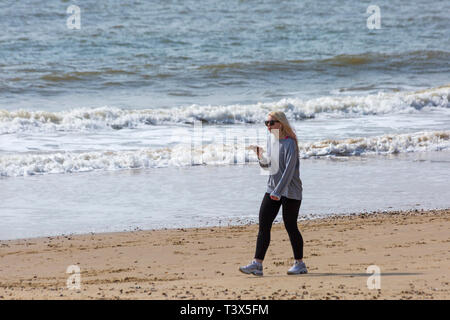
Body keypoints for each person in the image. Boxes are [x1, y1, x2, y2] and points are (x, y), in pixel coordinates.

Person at [240, 111, 307, 276]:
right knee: (264, 224)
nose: (268, 127)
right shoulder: (271, 141)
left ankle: (300, 264)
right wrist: (260, 156)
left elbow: (289, 171)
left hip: (290, 191)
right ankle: (257, 264)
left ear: (281, 123)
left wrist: (278, 192)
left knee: (290, 226)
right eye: (266, 123)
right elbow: (269, 168)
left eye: (271, 123)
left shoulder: (291, 143)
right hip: (272, 189)